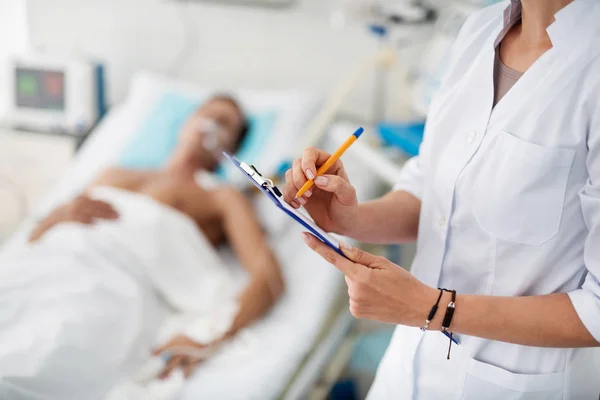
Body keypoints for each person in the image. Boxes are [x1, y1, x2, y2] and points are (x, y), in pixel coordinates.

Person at [283, 0, 600, 398]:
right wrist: (348, 216)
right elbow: (430, 190)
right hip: (409, 368)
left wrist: (432, 309)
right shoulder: (479, 31)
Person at [0, 95, 284, 398]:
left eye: (224, 123)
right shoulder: (114, 174)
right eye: (205, 113)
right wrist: (59, 216)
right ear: (184, 124)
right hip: (51, 261)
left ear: (232, 147)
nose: (209, 124)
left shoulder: (222, 197)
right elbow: (33, 239)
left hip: (114, 281)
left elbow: (268, 277)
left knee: (44, 350)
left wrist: (209, 336)